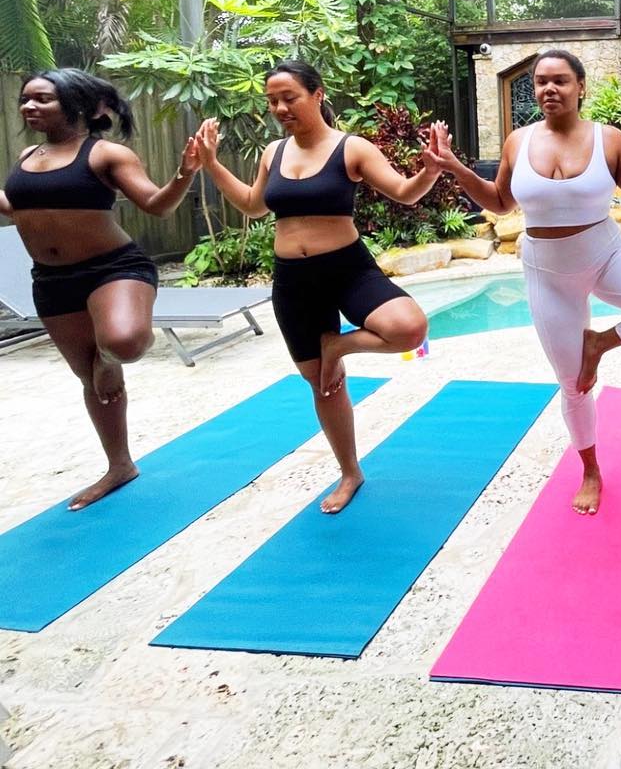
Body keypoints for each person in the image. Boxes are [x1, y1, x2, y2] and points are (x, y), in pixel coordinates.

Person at [424, 48, 621, 515]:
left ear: (580, 87)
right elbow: (498, 203)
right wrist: (453, 166)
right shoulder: (518, 141)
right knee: (573, 383)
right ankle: (590, 469)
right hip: (547, 270)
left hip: (606, 254)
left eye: (560, 81)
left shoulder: (608, 140)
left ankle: (599, 344)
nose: (548, 89)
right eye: (540, 82)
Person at [191, 59, 439, 513]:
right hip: (293, 281)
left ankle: (337, 345)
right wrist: (210, 164)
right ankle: (350, 472)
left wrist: (430, 170)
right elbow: (253, 205)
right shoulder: (273, 152)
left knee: (409, 328)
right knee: (323, 387)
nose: (280, 107)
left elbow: (403, 192)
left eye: (290, 97)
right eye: (272, 101)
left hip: (348, 269)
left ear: (318, 94)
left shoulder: (351, 149)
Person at [1, 68, 201, 508]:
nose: (29, 106)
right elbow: (18, 210)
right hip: (52, 281)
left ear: (76, 106)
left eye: (42, 100)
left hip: (113, 268)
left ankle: (107, 357)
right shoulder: (28, 154)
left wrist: (184, 174)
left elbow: (157, 206)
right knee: (93, 384)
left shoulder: (105, 155)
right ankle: (120, 466)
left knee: (123, 343)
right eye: (26, 99)